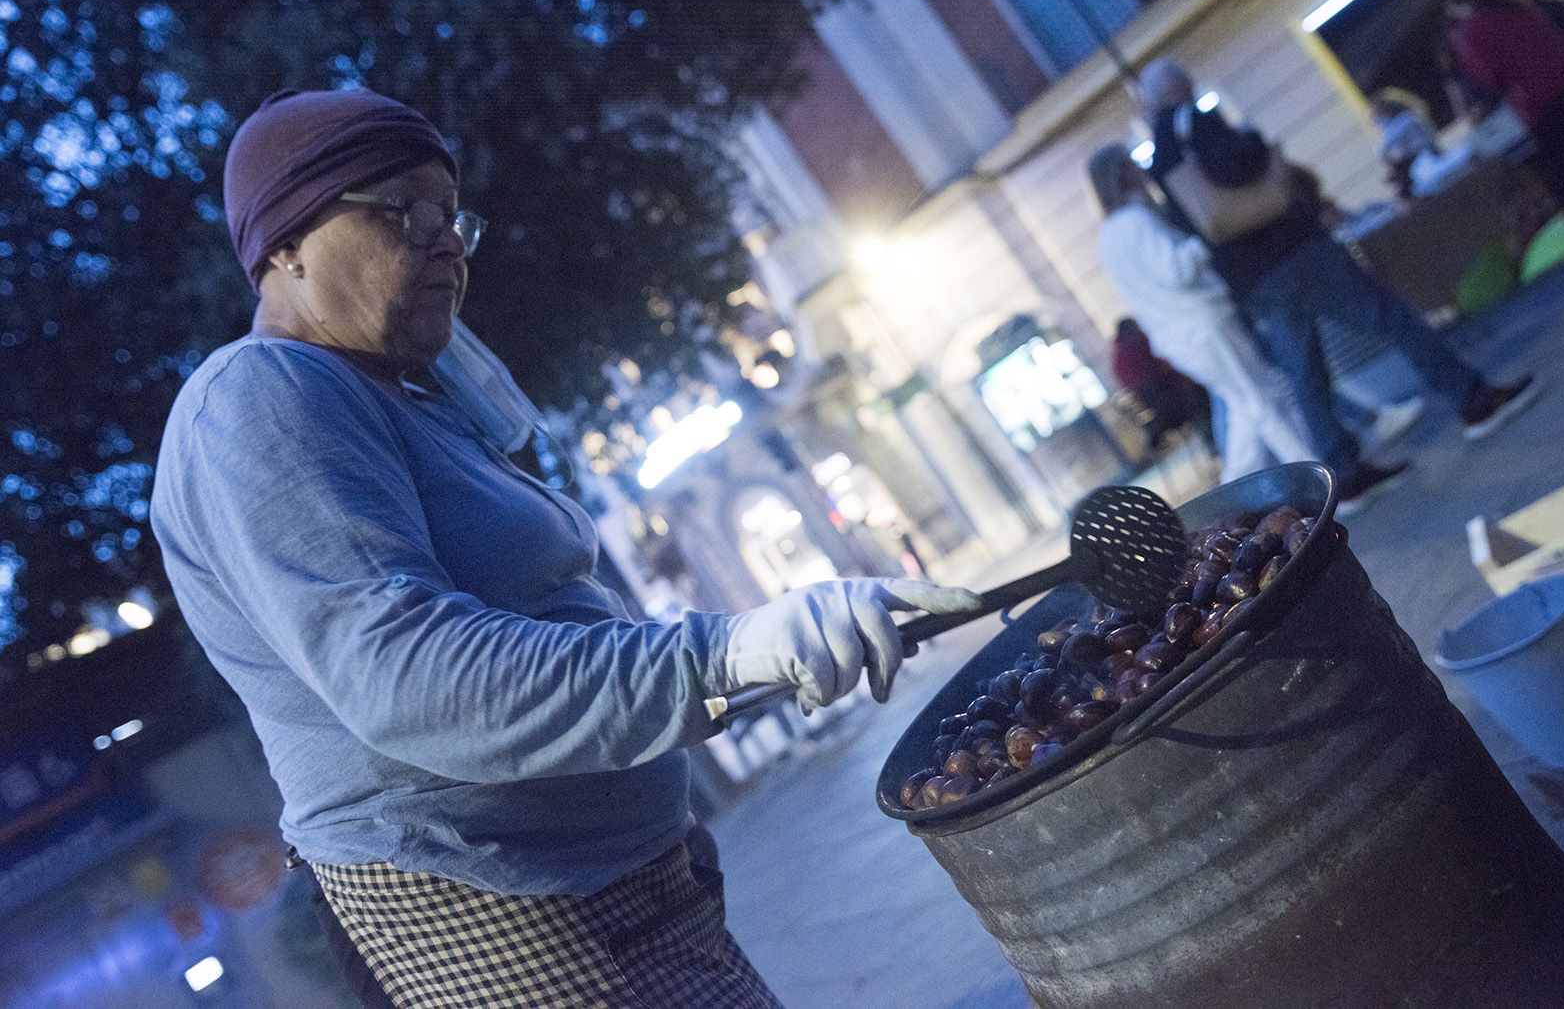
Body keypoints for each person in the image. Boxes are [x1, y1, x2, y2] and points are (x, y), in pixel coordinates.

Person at [150, 87, 979, 1008]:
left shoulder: (405, 396)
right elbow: (410, 675)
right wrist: (722, 652)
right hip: (497, 910)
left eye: (451, 214)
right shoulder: (260, 395)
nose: (446, 240)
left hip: (628, 891)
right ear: (284, 246)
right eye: (401, 212)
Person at [1139, 59, 1536, 509]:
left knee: (1305, 373)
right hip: (1292, 253)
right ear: (1181, 86)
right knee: (1390, 317)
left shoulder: (1161, 156)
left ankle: (1343, 474)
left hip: (1253, 280)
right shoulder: (1197, 121)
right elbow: (1236, 165)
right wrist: (1254, 143)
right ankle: (1474, 400)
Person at [1089, 145, 1318, 482]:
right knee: (1261, 399)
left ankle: (1238, 491)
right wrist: (1205, 238)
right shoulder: (1137, 220)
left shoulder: (1107, 238)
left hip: (1179, 335)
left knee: (1244, 404)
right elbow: (1176, 271)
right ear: (1123, 175)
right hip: (1202, 324)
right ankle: (1312, 478)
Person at [1445, 0, 1564, 254]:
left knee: (1558, 163)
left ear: (1454, 2)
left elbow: (1488, 78)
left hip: (1539, 96)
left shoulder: (1469, 30)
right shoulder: (1512, 0)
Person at [1109, 317, 1213, 452]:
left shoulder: (1117, 360)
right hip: (1177, 405)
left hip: (1155, 417)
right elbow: (1169, 363)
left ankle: (1212, 445)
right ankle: (1213, 442)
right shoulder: (1143, 341)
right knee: (1203, 395)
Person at [1369, 89, 1442, 199]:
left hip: (1425, 158)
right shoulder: (1405, 120)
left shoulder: (1404, 121)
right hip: (1418, 159)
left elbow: (1383, 152)